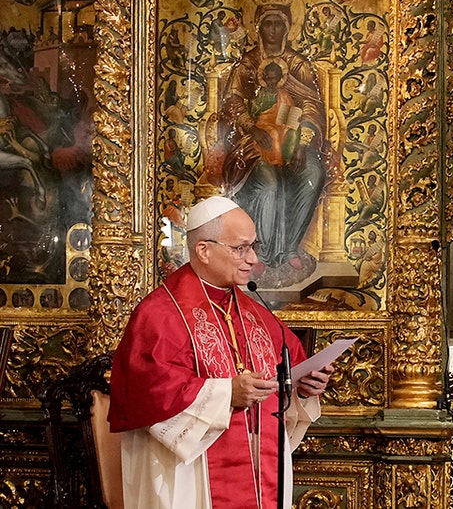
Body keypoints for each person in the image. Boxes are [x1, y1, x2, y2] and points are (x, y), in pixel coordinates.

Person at [109, 196, 334, 508]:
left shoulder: (255, 312)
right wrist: (227, 394)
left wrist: (305, 385)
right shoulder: (159, 314)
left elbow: (288, 371)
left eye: (253, 246)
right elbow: (149, 393)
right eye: (241, 248)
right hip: (191, 475)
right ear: (204, 250)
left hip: (260, 470)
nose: (253, 258)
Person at [217, 0, 329, 271]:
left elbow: (311, 105)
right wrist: (252, 127)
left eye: (279, 24)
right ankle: (260, 250)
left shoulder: (298, 65)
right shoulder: (247, 64)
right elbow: (232, 102)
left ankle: (290, 247)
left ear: (287, 28)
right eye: (268, 24)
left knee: (313, 174)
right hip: (254, 141)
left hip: (294, 139)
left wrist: (301, 144)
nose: (273, 30)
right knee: (269, 184)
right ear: (258, 27)